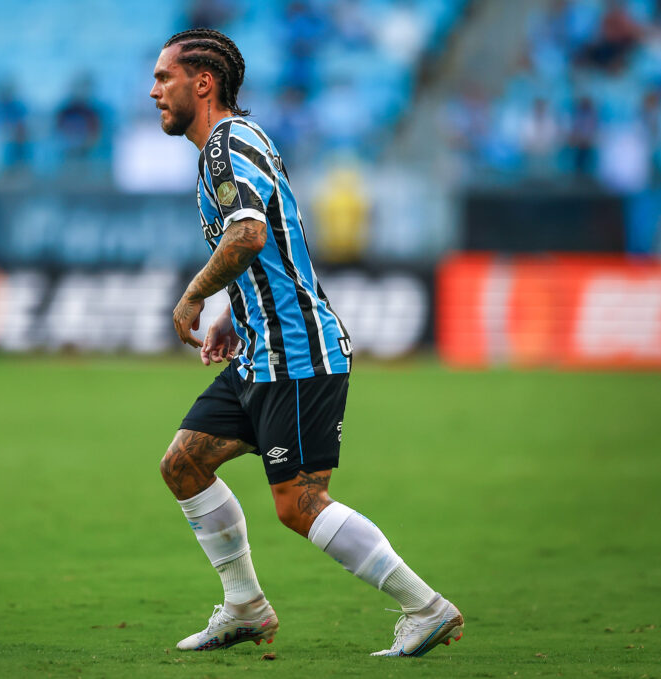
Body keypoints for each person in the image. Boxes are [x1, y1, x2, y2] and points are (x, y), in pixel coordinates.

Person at [150, 28, 464, 657]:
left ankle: (425, 607)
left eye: (165, 78)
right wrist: (234, 315)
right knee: (183, 464)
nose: (155, 90)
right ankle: (245, 607)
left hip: (296, 354)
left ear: (203, 83)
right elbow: (272, 247)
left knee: (299, 503)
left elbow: (249, 236)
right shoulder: (235, 142)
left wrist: (193, 297)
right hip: (260, 352)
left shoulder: (226, 145)